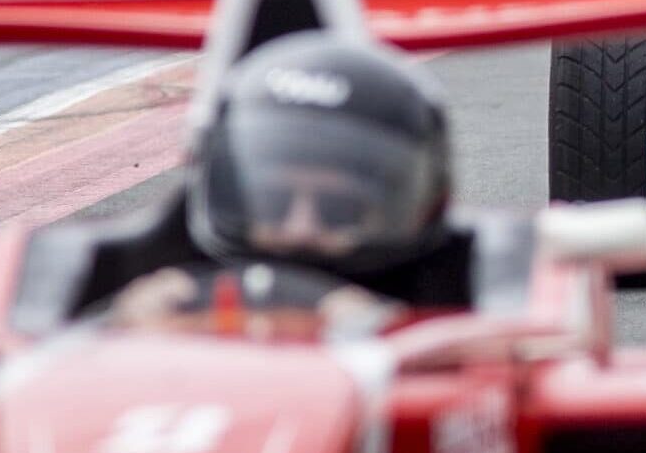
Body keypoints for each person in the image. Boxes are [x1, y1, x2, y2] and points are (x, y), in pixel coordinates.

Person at [106, 32, 457, 332]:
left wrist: (393, 333)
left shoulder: (475, 294)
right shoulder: (155, 303)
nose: (299, 229)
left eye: (339, 210)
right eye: (272, 203)